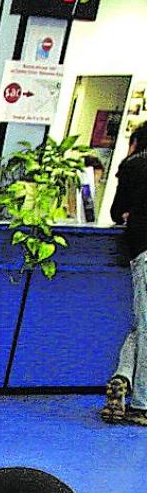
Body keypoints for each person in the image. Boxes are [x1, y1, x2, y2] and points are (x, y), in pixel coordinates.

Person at [102, 124, 147, 424]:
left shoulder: (133, 165)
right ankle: (130, 386)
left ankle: (137, 397)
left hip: (143, 251)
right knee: (142, 325)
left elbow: (116, 212)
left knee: (143, 326)